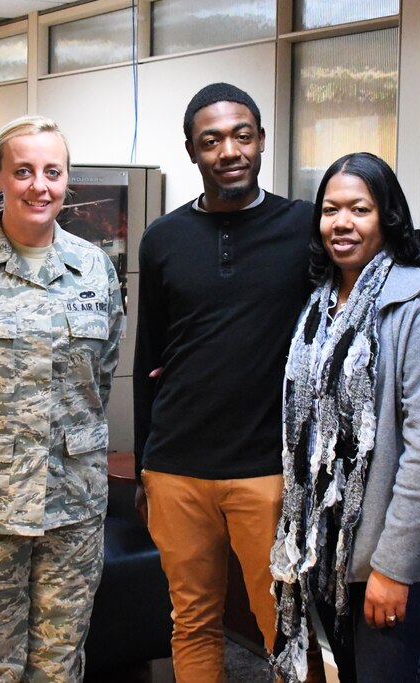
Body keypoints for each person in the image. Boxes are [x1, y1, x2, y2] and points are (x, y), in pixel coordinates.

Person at [133, 82, 325, 682]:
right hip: (177, 467)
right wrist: (145, 462)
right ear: (192, 151)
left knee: (285, 626)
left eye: (242, 135)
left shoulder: (306, 227)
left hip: (267, 469)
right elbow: (149, 358)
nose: (230, 150)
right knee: (191, 620)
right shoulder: (162, 238)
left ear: (262, 140)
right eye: (211, 140)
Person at [0, 115, 125, 681]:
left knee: (61, 665)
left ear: (67, 180)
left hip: (73, 506)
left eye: (52, 172)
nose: (39, 186)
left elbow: (101, 377)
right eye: (23, 171)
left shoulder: (95, 269)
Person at [271, 153, 420, 682]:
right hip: (320, 556)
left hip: (382, 561)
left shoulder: (412, 299)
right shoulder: (318, 302)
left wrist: (393, 567)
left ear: (386, 217)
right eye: (330, 210)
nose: (341, 223)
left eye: (359, 209)